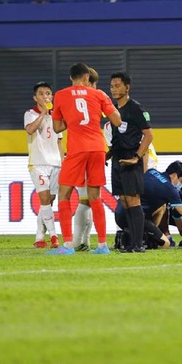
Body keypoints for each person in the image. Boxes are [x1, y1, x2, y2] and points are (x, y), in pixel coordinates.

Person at [49, 62, 121, 255]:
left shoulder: (61, 95)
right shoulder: (99, 95)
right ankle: (102, 245)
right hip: (97, 148)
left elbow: (57, 128)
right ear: (87, 77)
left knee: (64, 195)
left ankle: (67, 246)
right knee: (95, 197)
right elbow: (117, 120)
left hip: (77, 149)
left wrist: (73, 120)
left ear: (71, 78)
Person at [108, 72, 153, 253]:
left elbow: (149, 136)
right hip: (118, 159)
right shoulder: (112, 109)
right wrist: (109, 154)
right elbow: (117, 136)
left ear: (127, 87)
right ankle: (131, 242)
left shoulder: (136, 108)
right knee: (125, 201)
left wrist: (137, 157)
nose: (113, 89)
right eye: (111, 86)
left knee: (134, 200)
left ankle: (138, 243)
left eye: (117, 85)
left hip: (131, 159)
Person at [24, 82, 63, 249]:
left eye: (48, 93)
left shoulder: (56, 117)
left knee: (49, 201)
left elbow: (59, 141)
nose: (45, 96)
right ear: (35, 97)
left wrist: (63, 161)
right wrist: (44, 113)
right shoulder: (30, 113)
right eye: (41, 94)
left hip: (55, 163)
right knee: (45, 198)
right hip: (38, 163)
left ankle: (39, 237)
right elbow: (30, 130)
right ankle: (54, 236)